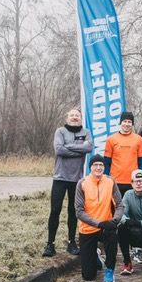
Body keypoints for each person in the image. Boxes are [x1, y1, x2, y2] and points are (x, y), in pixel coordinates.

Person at [43, 108, 93, 257]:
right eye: (72, 115)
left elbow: (89, 147)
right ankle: (50, 244)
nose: (74, 117)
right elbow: (59, 150)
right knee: (55, 210)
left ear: (81, 118)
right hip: (60, 178)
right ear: (67, 118)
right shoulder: (60, 131)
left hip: (77, 179)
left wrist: (68, 146)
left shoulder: (86, 132)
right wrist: (79, 150)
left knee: (73, 211)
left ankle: (71, 243)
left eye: (77, 115)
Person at [75, 154, 124, 282]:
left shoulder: (110, 181)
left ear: (104, 167)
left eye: (101, 165)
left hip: (106, 226)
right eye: (95, 165)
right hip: (88, 228)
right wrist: (98, 223)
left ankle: (110, 270)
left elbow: (120, 205)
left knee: (112, 235)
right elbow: (79, 211)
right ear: (90, 167)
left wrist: (114, 220)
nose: (98, 167)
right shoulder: (82, 183)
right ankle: (95, 257)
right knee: (88, 276)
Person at [104, 111, 142, 196]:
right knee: (116, 204)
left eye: (129, 122)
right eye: (124, 121)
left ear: (132, 124)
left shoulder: (138, 139)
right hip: (115, 180)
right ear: (121, 122)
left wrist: (141, 178)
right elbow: (107, 162)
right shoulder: (111, 139)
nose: (127, 124)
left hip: (133, 181)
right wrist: (106, 178)